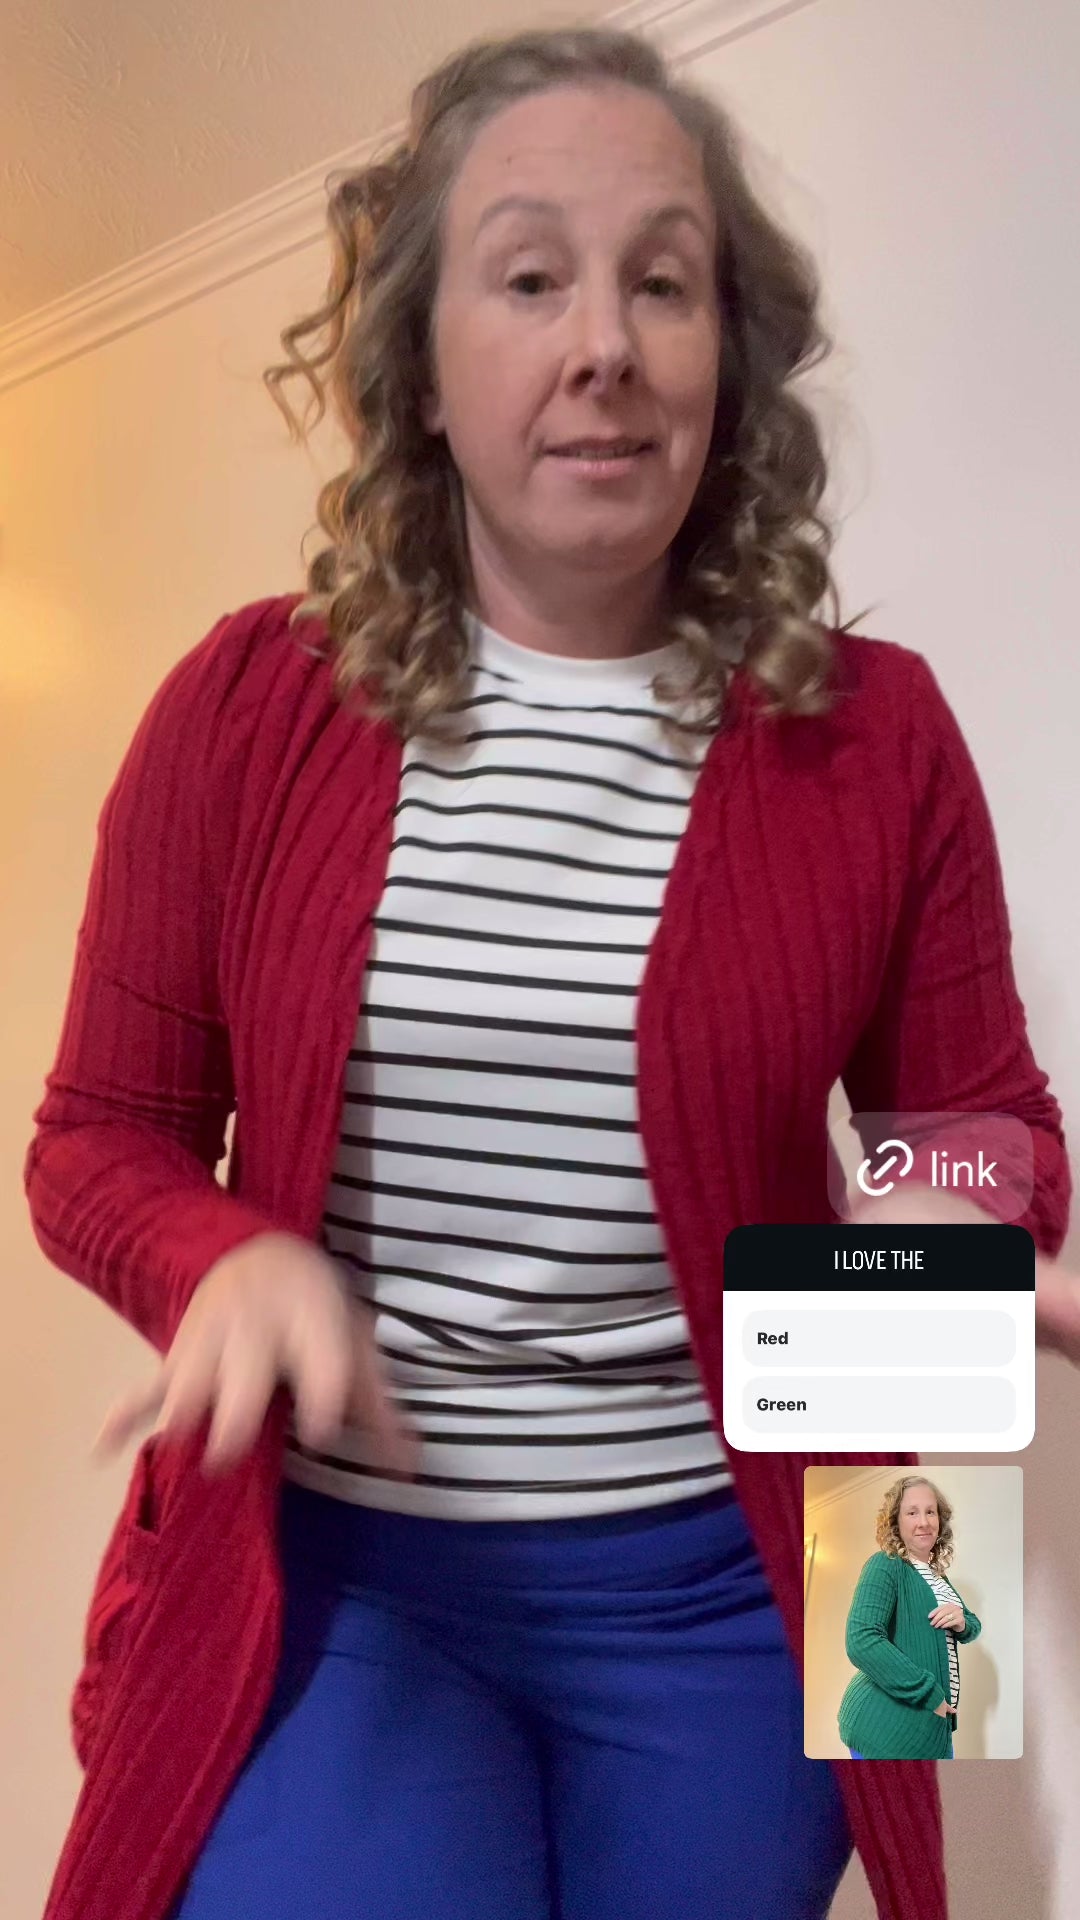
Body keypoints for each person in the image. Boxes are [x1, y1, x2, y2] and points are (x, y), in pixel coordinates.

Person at [23, 23, 1075, 1920]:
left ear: (726, 360)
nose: (606, 344)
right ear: (420, 369)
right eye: (529, 279)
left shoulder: (885, 730)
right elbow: (97, 1138)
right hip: (338, 1575)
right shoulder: (241, 706)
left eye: (664, 283)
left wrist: (941, 1253)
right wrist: (221, 1256)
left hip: (781, 1558)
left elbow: (988, 1129)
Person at [839, 1477, 982, 1761]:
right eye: (912, 1512)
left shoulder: (939, 1579)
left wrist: (963, 1621)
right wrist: (930, 1694)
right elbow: (862, 1640)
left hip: (930, 1728)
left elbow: (972, 1625)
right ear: (896, 1521)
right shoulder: (886, 1564)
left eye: (931, 1512)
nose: (924, 1522)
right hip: (885, 1727)